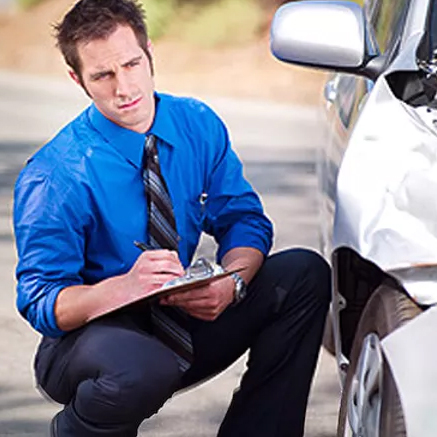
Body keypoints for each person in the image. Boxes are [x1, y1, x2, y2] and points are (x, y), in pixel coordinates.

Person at [13, 0, 331, 436]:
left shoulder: (197, 124)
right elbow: (41, 300)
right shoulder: (57, 173)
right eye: (103, 75)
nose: (124, 87)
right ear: (78, 80)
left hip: (180, 320)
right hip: (92, 342)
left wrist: (231, 282)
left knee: (304, 274)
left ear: (149, 54)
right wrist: (121, 288)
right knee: (142, 368)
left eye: (131, 64)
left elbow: (245, 220)